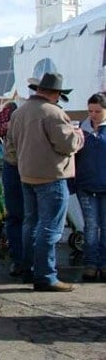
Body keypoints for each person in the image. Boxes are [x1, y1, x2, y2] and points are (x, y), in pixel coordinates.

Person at [5, 72, 84, 291]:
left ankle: (28, 268)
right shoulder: (53, 113)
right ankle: (46, 275)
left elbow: (10, 148)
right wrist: (78, 137)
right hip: (51, 176)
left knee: (30, 224)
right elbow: (67, 145)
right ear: (56, 94)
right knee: (49, 228)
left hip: (27, 175)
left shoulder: (19, 113)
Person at [0, 98, 23, 276]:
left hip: (27, 167)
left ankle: (29, 261)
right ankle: (20, 260)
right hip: (15, 165)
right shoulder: (9, 108)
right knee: (17, 216)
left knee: (30, 218)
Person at [75, 92, 106, 281]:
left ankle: (103, 262)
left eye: (97, 111)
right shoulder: (81, 129)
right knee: (91, 226)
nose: (93, 114)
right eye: (90, 111)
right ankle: (90, 263)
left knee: (105, 225)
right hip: (86, 184)